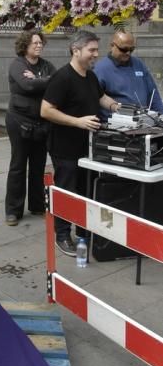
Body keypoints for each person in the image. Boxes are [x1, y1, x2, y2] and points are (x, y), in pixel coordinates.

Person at [41, 30, 119, 256]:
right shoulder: (62, 77)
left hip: (88, 148)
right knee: (67, 191)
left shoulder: (90, 76)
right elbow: (45, 110)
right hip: (65, 148)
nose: (97, 54)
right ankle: (63, 235)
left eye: (97, 49)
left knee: (86, 191)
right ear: (76, 51)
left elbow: (101, 97)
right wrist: (77, 122)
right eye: (92, 50)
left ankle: (84, 232)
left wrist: (118, 107)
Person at [5, 30, 56, 226]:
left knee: (38, 165)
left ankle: (36, 205)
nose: (39, 45)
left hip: (41, 123)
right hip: (18, 122)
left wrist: (38, 79)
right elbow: (28, 86)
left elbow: (56, 82)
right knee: (18, 165)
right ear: (25, 45)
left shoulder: (46, 65)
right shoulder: (17, 65)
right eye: (35, 43)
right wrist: (39, 81)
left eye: (40, 42)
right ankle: (13, 211)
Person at [94, 30, 163, 117]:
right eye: (124, 49)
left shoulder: (138, 64)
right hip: (114, 124)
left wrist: (161, 115)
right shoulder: (100, 69)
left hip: (144, 121)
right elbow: (95, 99)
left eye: (131, 49)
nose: (128, 53)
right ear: (112, 46)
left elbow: (153, 93)